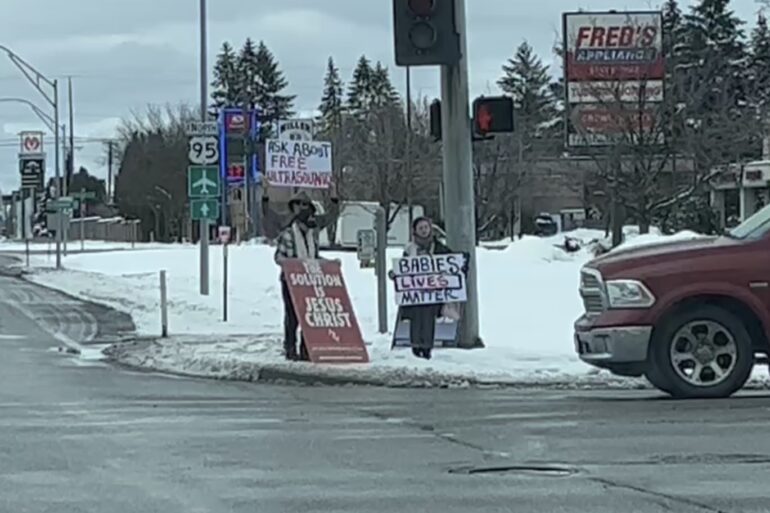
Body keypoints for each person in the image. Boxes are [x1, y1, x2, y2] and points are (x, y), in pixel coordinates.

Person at [270, 189, 340, 361]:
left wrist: (330, 264)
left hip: (310, 281)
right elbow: (279, 256)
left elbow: (313, 256)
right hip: (291, 281)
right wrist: (292, 266)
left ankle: (306, 348)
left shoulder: (313, 235)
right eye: (299, 206)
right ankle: (290, 348)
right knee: (292, 316)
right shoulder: (287, 233)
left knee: (309, 315)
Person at [400, 217, 453, 360]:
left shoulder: (439, 247)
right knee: (416, 318)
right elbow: (402, 267)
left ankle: (427, 347)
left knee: (429, 318)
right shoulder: (409, 249)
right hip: (415, 291)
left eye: (426, 227)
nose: (424, 231)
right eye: (420, 228)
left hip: (433, 290)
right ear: (415, 231)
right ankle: (416, 346)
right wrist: (395, 275)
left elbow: (451, 261)